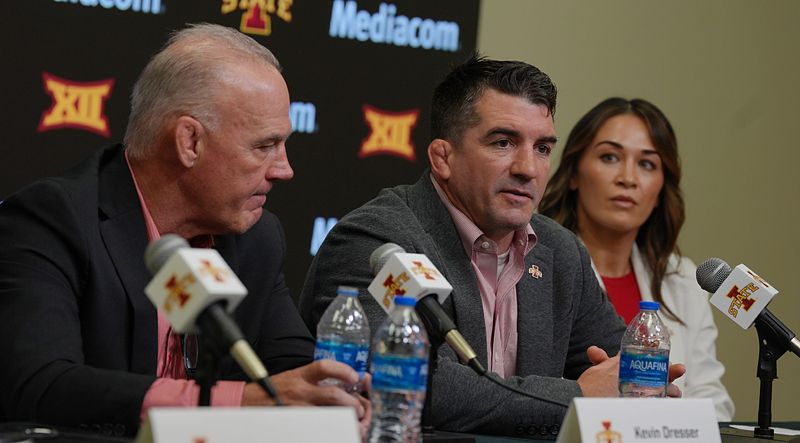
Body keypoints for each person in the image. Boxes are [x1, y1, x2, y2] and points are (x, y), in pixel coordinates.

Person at [0, 24, 368, 436]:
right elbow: (40, 385)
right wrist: (235, 403)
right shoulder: (54, 219)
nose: (284, 170)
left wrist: (332, 397)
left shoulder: (256, 238)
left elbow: (293, 371)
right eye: (265, 146)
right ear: (189, 142)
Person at [299, 56, 685, 438]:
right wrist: (578, 395)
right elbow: (418, 385)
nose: (528, 168)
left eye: (543, 148)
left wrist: (638, 389)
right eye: (503, 142)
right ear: (442, 158)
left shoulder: (560, 252)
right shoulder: (377, 242)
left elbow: (626, 372)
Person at [538, 97, 734, 420]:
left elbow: (716, 404)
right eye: (610, 157)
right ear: (573, 174)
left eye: (646, 164)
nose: (628, 178)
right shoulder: (536, 264)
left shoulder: (683, 279)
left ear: (660, 191)